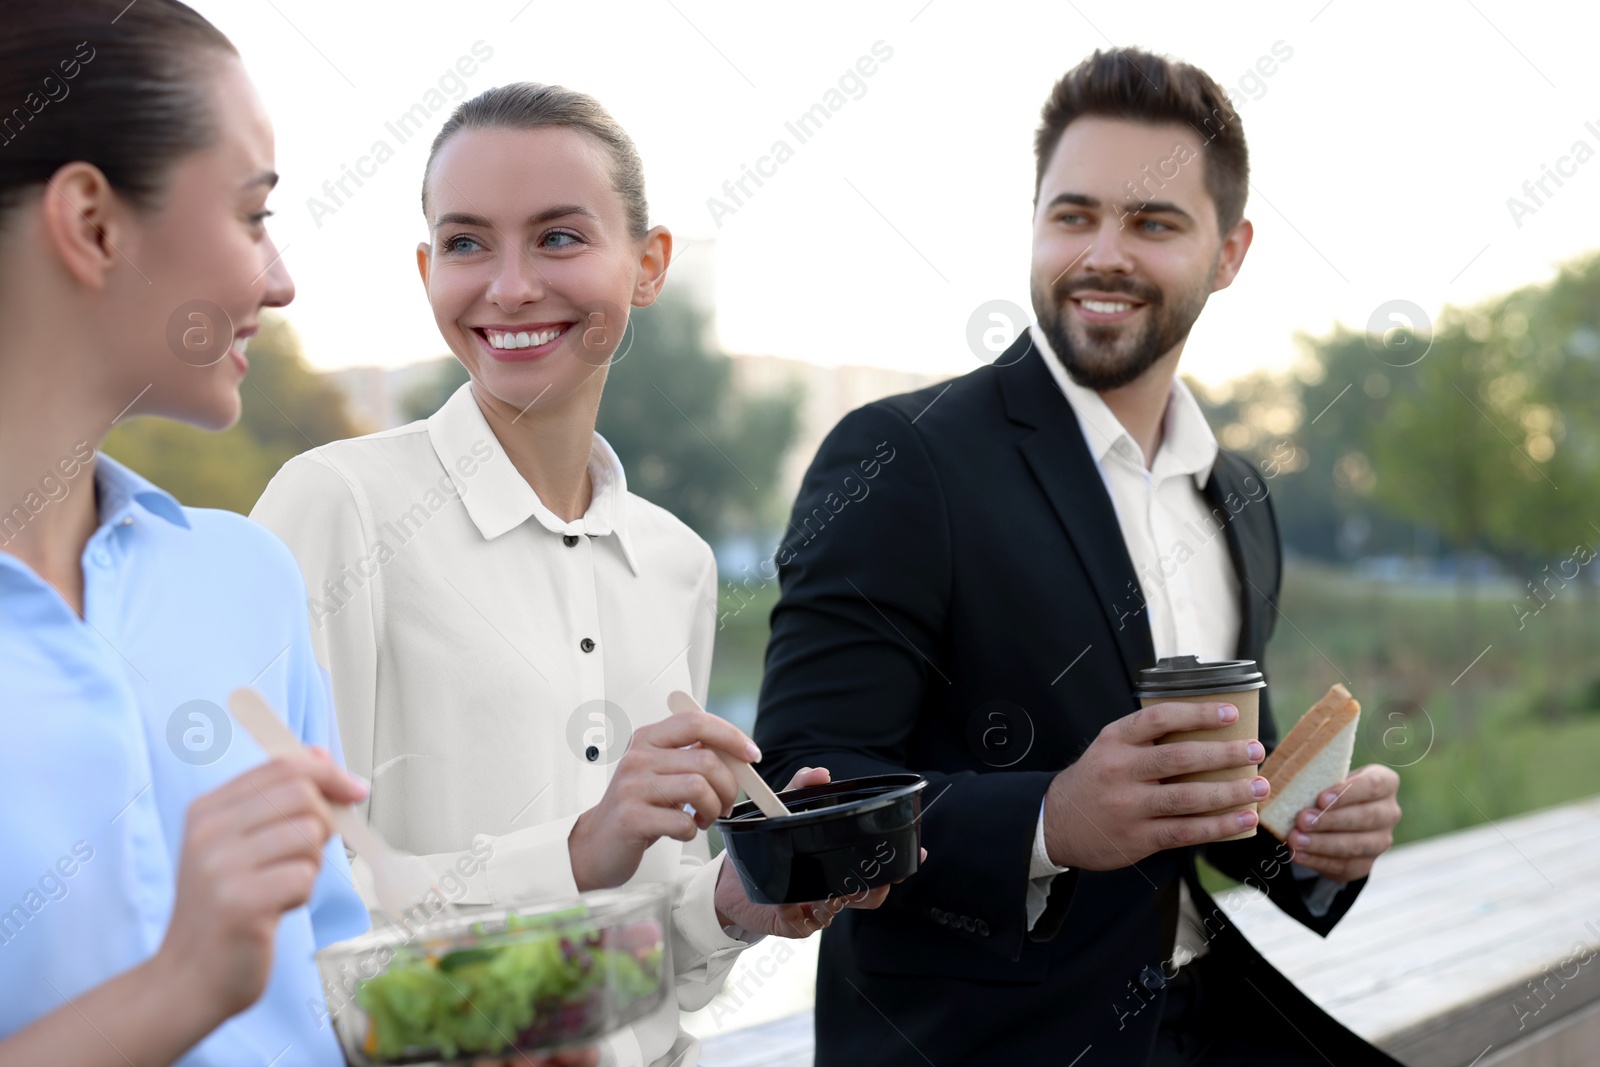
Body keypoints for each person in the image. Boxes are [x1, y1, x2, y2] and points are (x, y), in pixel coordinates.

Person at [753, 47, 1405, 1066]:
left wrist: (1315, 837)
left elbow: (1228, 804)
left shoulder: (1236, 497)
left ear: (1228, 252)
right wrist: (1049, 817)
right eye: (1073, 214)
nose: (1102, 253)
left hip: (1200, 1013)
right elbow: (795, 798)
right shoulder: (901, 457)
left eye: (1151, 223)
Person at [251, 82, 897, 1067]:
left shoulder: (673, 560)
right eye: (467, 243)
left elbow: (642, 963)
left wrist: (737, 898)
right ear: (427, 269)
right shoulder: (335, 505)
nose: (508, 287)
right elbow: (286, 916)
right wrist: (577, 849)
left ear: (648, 265)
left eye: (558, 237)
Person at [0, 2, 379, 1064]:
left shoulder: (246, 577)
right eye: (253, 215)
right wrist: (180, 985)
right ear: (93, 223)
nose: (280, 279)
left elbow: (336, 995)